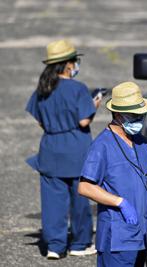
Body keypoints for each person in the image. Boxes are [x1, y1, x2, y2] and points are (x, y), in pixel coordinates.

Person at [25, 39, 101, 259]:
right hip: (75, 147)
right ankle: (79, 243)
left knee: (52, 202)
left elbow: (39, 121)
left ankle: (55, 246)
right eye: (75, 61)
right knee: (80, 199)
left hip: (50, 148)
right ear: (68, 64)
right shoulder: (77, 88)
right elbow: (84, 122)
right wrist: (93, 104)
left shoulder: (42, 89)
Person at [78, 81, 147, 267]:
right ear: (119, 115)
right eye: (135, 115)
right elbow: (85, 186)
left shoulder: (142, 142)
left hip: (142, 235)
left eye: (141, 115)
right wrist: (120, 202)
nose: (140, 119)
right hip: (117, 238)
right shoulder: (102, 146)